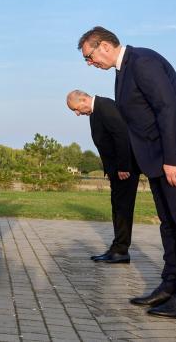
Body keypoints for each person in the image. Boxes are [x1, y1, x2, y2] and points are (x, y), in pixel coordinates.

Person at [78, 26, 176, 319]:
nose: (90, 64)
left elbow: (169, 110)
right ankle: (170, 286)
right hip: (158, 159)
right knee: (169, 225)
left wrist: (173, 158)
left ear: (103, 45)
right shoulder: (121, 72)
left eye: (89, 57)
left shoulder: (142, 62)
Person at [67, 90, 140, 263]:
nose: (77, 114)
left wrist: (123, 166)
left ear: (84, 99)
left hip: (125, 170)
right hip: (116, 171)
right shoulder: (95, 112)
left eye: (76, 109)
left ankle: (121, 251)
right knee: (117, 208)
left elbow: (121, 135)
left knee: (123, 209)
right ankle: (117, 248)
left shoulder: (105, 106)